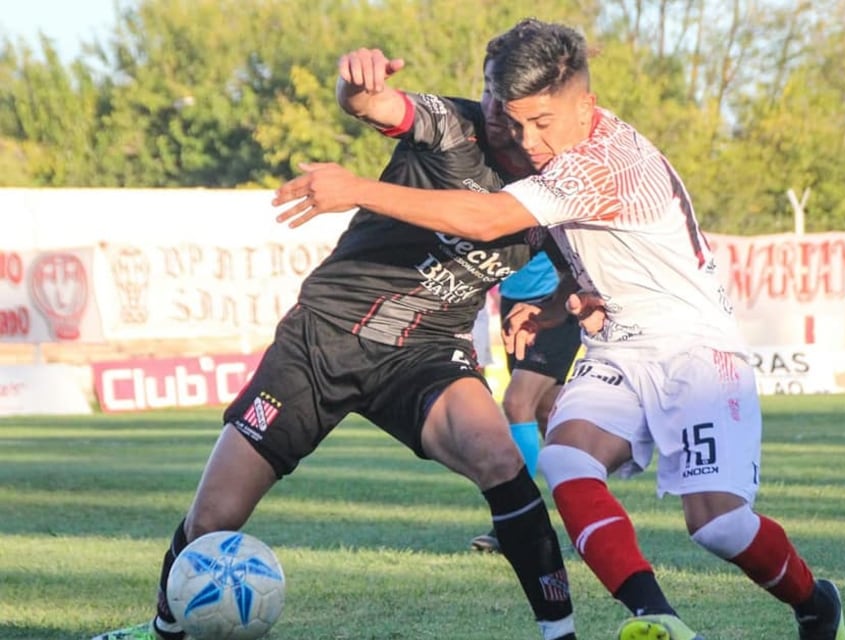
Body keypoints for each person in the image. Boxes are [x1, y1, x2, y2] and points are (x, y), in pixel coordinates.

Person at [271, 18, 845, 640]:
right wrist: (555, 306)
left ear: (586, 107)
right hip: (618, 344)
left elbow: (490, 219)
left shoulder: (604, 160)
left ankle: (818, 604)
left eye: (543, 123)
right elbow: (603, 255)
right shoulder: (558, 156)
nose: (529, 140)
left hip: (696, 349)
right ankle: (657, 620)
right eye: (517, 124)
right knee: (567, 458)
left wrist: (360, 190)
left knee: (718, 526)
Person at [93, 41, 578, 640]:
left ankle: (561, 633)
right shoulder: (455, 127)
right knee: (214, 518)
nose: (512, 128)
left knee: (499, 457)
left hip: (426, 351)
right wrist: (356, 83)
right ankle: (163, 631)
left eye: (529, 117)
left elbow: (580, 272)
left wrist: (556, 307)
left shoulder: (565, 183)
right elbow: (376, 105)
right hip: (323, 338)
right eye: (496, 105)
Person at [470, 251, 582, 553]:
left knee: (518, 403)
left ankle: (517, 523)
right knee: (549, 416)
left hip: (552, 304)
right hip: (512, 302)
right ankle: (586, 519)